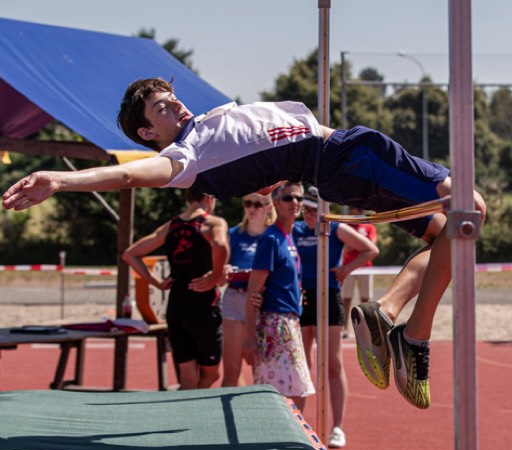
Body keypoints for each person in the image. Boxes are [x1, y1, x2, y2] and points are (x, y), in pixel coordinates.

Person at [2, 77, 486, 409]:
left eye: (172, 97)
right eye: (161, 108)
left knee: (449, 237)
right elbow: (131, 173)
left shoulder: (204, 128)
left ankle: (390, 312)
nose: (175, 104)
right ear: (150, 131)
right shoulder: (186, 154)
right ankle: (414, 337)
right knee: (472, 207)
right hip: (344, 154)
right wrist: (63, 182)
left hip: (336, 173)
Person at [293, 186, 379, 448]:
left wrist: (345, 270)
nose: (309, 214)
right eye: (305, 209)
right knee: (302, 366)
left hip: (328, 296)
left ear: (323, 209)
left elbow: (369, 249)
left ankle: (337, 426)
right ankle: (299, 426)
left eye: (313, 209)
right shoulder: (295, 230)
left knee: (333, 364)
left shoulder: (335, 227)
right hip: (301, 298)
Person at [122, 188, 229, 390]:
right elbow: (220, 245)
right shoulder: (213, 223)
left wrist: (156, 282)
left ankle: (187, 409)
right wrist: (214, 276)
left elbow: (130, 254)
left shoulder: (171, 226)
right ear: (209, 198)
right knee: (212, 374)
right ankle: (195, 411)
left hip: (176, 304)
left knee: (187, 377)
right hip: (203, 305)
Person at [242, 182, 314, 412]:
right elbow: (254, 290)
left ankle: (288, 440)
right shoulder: (271, 238)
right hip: (275, 323)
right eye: (288, 198)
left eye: (299, 198)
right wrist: (250, 337)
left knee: (293, 389)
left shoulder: (288, 237)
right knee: (288, 391)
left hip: (289, 321)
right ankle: (287, 441)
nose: (295, 203)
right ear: (275, 203)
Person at [221, 192, 276, 387]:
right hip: (235, 298)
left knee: (261, 371)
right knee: (231, 370)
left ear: (269, 207)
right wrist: (224, 269)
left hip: (263, 302)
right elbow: (220, 277)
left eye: (257, 204)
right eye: (247, 203)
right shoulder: (234, 234)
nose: (251, 209)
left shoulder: (273, 235)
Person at [341, 207, 379, 338]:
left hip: (365, 267)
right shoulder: (345, 225)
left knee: (365, 299)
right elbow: (344, 246)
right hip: (348, 267)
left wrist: (354, 244)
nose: (359, 211)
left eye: (361, 209)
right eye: (356, 208)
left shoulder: (369, 226)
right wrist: (362, 244)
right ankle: (345, 328)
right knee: (346, 298)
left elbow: (373, 245)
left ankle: (365, 329)